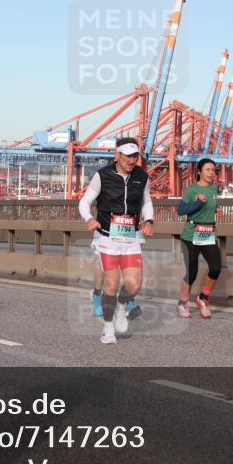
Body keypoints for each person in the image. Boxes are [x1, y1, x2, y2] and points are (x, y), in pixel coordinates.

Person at [78, 137, 154, 345]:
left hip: (131, 237)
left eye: (135, 156)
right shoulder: (102, 175)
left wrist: (149, 220)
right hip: (107, 237)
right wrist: (89, 218)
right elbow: (84, 202)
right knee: (111, 283)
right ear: (117, 155)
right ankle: (108, 328)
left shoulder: (142, 177)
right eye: (128, 156)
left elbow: (146, 202)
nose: (132, 160)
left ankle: (121, 306)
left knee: (134, 285)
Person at [176, 158, 221, 319]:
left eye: (213, 170)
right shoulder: (191, 190)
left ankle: (203, 298)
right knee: (192, 273)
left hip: (208, 234)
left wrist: (216, 209)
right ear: (199, 172)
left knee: (216, 268)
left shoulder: (215, 188)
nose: (211, 173)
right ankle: (182, 303)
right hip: (191, 235)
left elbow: (212, 204)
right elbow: (180, 211)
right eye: (207, 169)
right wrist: (197, 203)